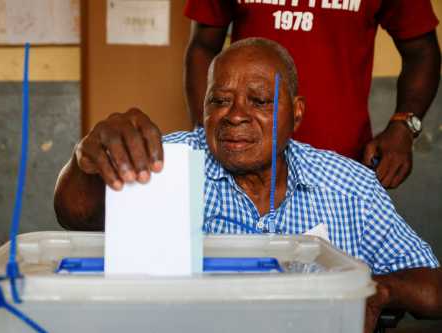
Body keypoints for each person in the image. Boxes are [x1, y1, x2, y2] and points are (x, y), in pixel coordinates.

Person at [53, 38, 441, 332]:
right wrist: (85, 158)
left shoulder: (348, 185)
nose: (235, 116)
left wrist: (374, 289)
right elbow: (75, 214)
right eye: (218, 100)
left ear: (297, 112)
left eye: (259, 101)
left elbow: (431, 286)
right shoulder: (164, 165)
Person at [183, 0, 441, 189]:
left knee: (345, 262)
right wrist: (205, 136)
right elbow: (203, 47)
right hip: (242, 161)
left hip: (343, 164)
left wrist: (404, 126)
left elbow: (422, 51)